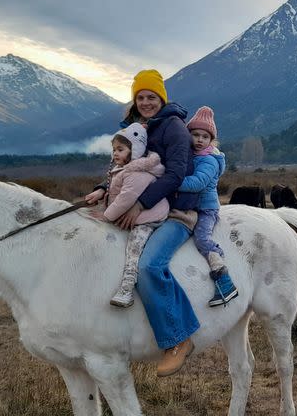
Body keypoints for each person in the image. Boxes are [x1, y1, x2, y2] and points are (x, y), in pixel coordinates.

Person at [84, 69, 199, 377]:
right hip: (147, 209)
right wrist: (103, 188)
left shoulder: (174, 128)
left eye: (152, 97)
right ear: (134, 101)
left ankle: (178, 339)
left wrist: (140, 203)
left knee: (149, 266)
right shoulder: (141, 128)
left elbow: (176, 174)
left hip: (177, 213)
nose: (146, 102)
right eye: (141, 97)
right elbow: (125, 164)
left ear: (161, 98)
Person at [89, 123, 169, 308]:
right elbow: (114, 190)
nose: (115, 153)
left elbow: (125, 199)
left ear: (135, 150)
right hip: (136, 215)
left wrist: (106, 216)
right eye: (114, 149)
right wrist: (101, 194)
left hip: (149, 218)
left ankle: (127, 287)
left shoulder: (138, 173)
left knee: (134, 247)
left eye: (121, 149)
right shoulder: (128, 168)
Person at [177, 106, 238, 306]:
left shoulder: (209, 160)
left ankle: (223, 277)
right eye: (195, 134)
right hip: (195, 207)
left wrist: (171, 183)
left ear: (211, 141)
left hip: (207, 208)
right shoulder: (193, 156)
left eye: (205, 136)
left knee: (202, 238)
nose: (200, 139)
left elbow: (197, 183)